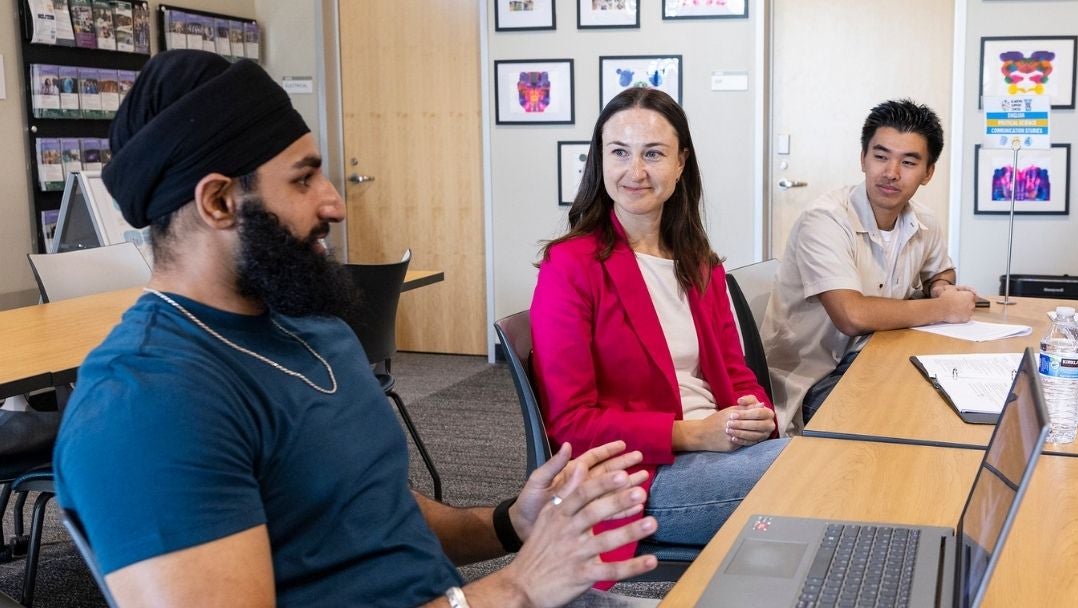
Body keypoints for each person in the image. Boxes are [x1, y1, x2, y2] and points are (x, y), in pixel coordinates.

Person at [54, 50, 658, 607]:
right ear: (218, 202)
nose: (334, 202)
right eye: (302, 179)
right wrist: (517, 589)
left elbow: (366, 512)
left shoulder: (314, 329)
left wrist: (508, 524)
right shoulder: (147, 404)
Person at [530, 88, 787, 571]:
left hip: (723, 452)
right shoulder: (570, 266)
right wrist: (694, 434)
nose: (636, 171)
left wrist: (754, 413)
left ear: (681, 162)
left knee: (823, 467)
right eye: (619, 152)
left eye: (653, 153)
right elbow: (570, 424)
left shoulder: (698, 263)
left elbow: (736, 373)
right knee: (811, 477)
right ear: (599, 160)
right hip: (640, 474)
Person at [763, 99, 975, 435]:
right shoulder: (826, 220)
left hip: (878, 358)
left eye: (908, 162)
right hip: (815, 379)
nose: (891, 173)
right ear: (863, 159)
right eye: (880, 156)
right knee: (915, 417)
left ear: (928, 172)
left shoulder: (924, 221)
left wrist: (940, 287)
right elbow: (853, 316)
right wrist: (943, 309)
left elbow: (939, 271)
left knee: (954, 399)